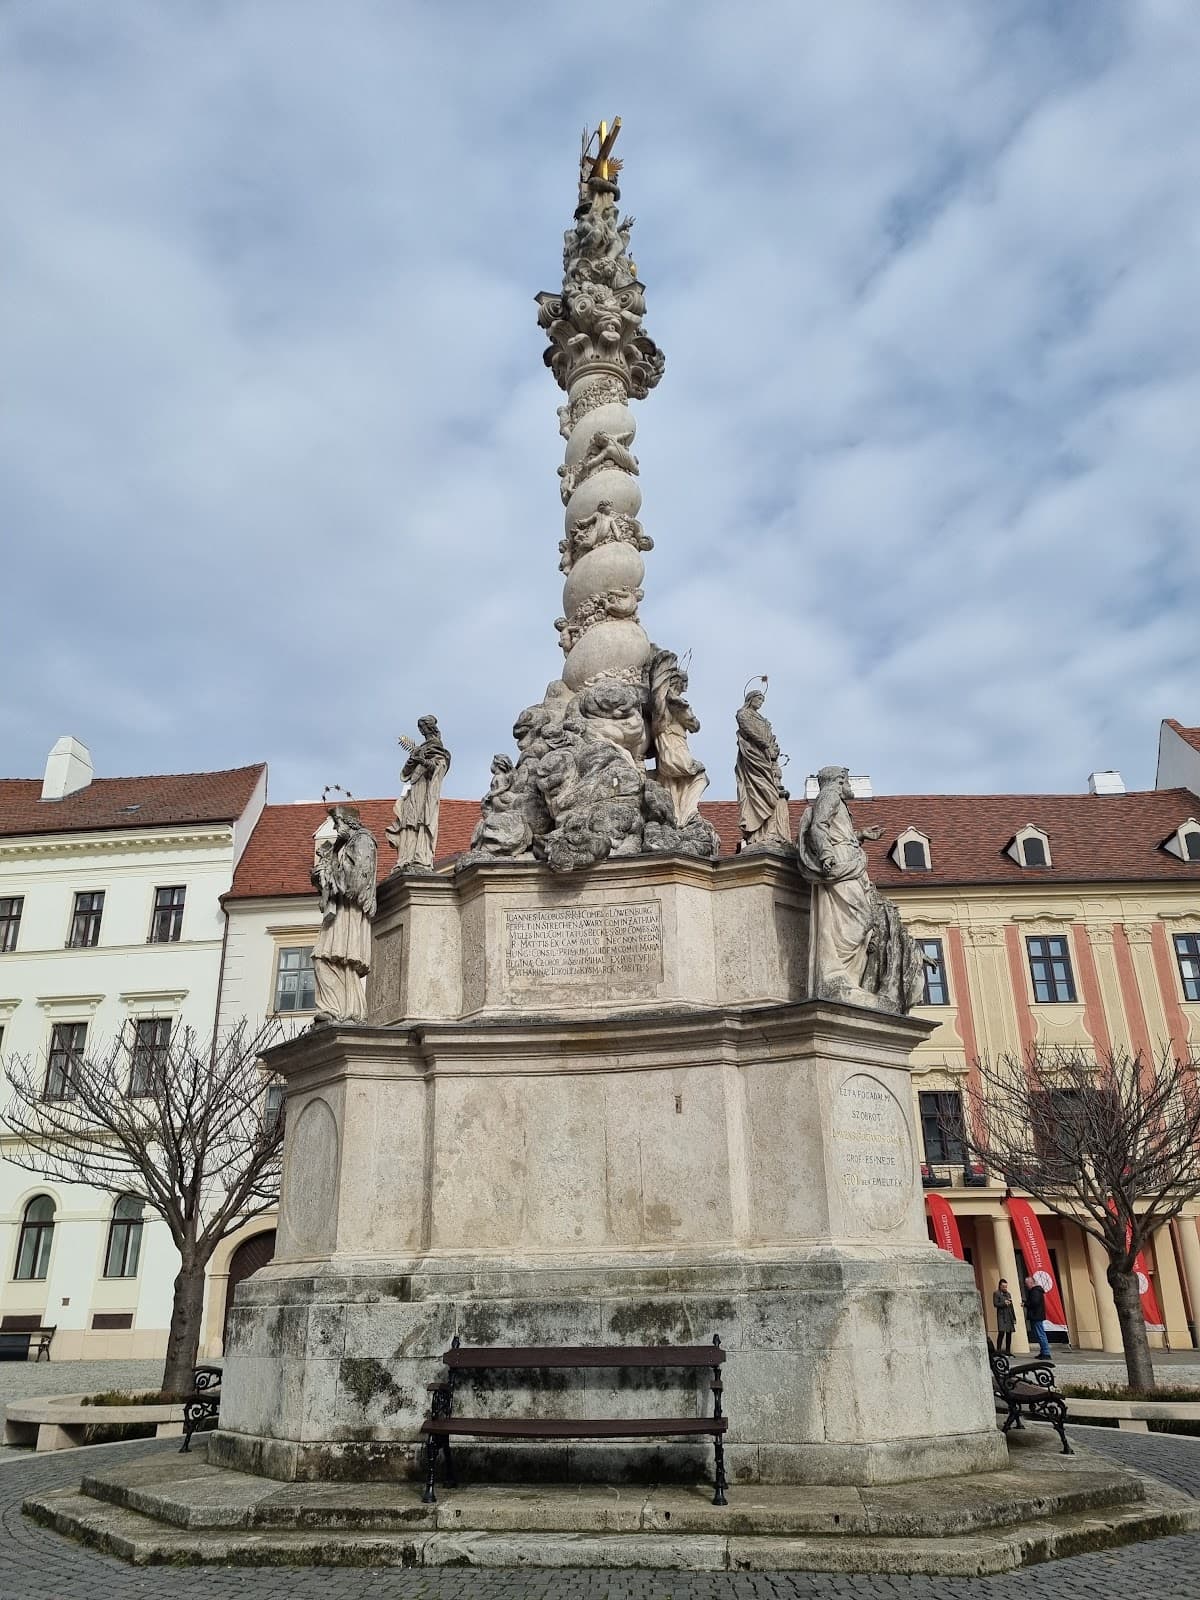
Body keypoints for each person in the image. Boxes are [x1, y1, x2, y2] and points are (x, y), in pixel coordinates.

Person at [1024, 1273, 1053, 1359]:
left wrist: (1026, 1304)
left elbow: (1034, 1302)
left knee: (1040, 1334)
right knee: (1038, 1334)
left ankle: (1046, 1353)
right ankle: (1043, 1351)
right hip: (1036, 1315)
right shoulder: (1036, 1291)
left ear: (1031, 1283)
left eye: (1027, 1284)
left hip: (1036, 1315)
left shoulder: (1035, 1291)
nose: (1026, 1286)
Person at [993, 1279, 1017, 1355]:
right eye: (1003, 1286)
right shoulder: (996, 1293)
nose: (1005, 1288)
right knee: (1001, 1332)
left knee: (1009, 1333)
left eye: (1006, 1287)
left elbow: (1011, 1306)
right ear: (1000, 1286)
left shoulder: (1008, 1294)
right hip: (1002, 1316)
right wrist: (1004, 1303)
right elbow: (995, 1304)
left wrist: (1014, 1317)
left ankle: (1008, 1351)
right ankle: (999, 1350)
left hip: (1009, 1315)